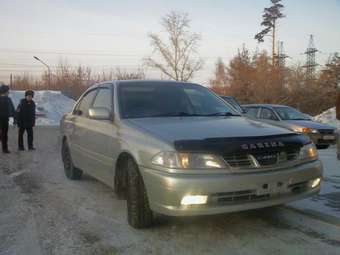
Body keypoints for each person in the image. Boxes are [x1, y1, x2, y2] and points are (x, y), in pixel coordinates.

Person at [0, 84, 16, 153]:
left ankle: (5, 148)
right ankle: (5, 149)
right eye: (7, 91)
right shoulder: (7, 99)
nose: (8, 92)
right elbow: (12, 109)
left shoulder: (8, 99)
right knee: (3, 134)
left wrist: (15, 119)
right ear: (4, 91)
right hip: (1, 119)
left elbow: (12, 109)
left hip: (5, 119)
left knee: (4, 134)